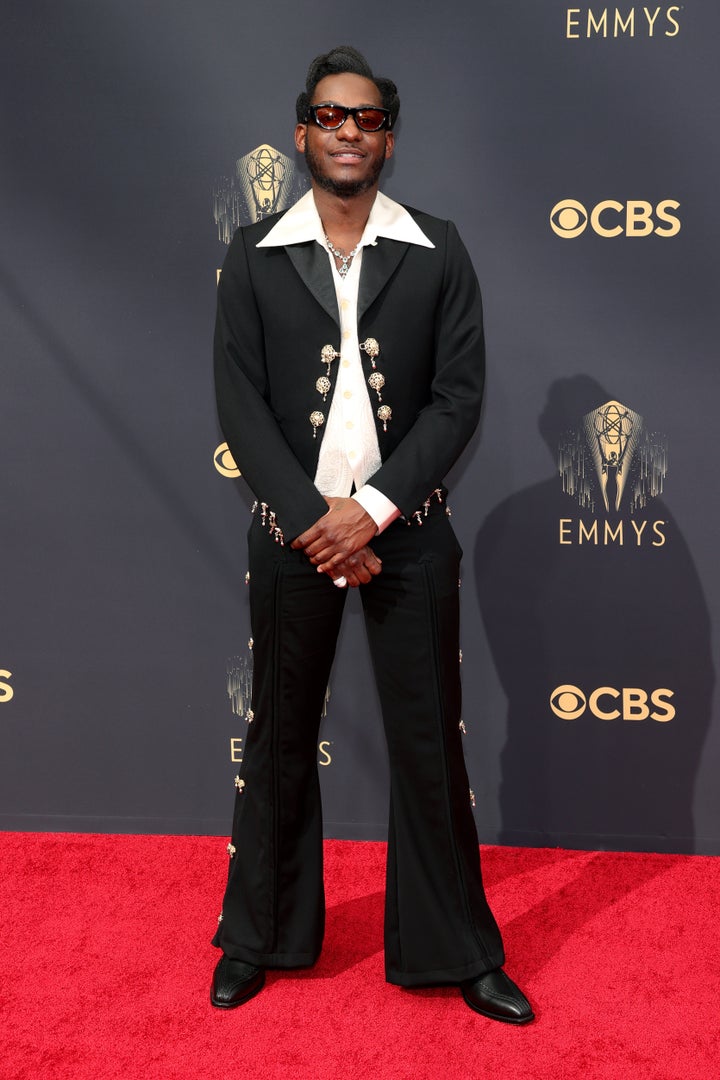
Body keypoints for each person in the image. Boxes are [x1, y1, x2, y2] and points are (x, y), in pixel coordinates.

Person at [210, 45, 533, 1025]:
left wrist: (375, 508)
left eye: (369, 118)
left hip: (411, 533)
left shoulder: (439, 247)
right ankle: (258, 937)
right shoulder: (252, 253)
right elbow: (241, 405)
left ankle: (458, 950)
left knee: (432, 745)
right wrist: (315, 522)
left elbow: (457, 398)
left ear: (389, 135)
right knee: (276, 740)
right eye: (331, 115)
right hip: (293, 537)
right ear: (303, 130)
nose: (350, 131)